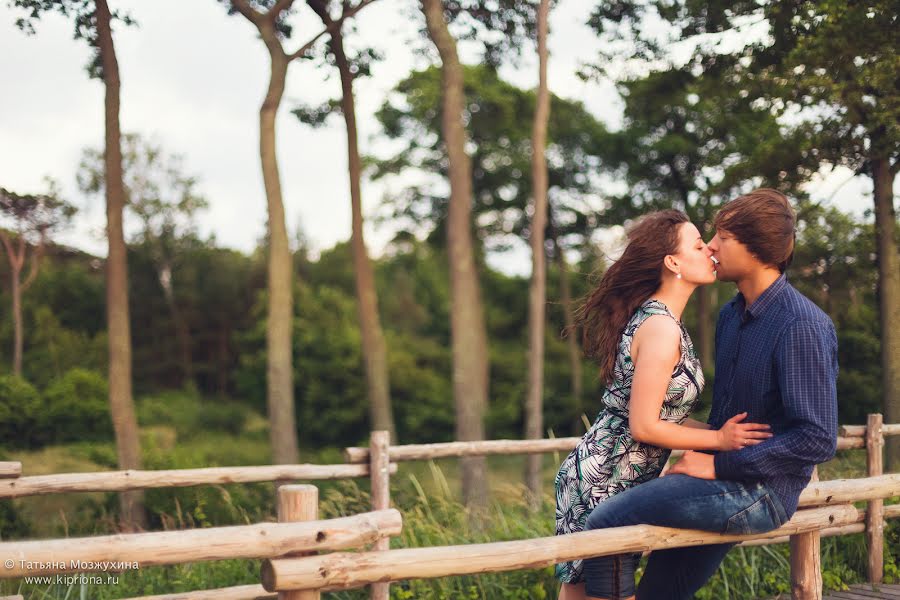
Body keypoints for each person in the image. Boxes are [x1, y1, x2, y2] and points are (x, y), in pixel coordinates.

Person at [579, 188, 839, 600]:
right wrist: (704, 448)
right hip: (717, 479)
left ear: (756, 250)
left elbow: (817, 438)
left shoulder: (801, 325)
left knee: (606, 521)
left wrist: (720, 467)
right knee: (659, 594)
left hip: (761, 492)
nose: (712, 246)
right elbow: (724, 420)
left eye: (723, 237)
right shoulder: (730, 316)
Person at [554, 209, 773, 600]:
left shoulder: (666, 321)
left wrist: (724, 434)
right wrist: (720, 441)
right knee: (591, 595)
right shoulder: (660, 328)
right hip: (606, 477)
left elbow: (666, 416)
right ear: (673, 262)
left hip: (620, 475)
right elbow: (644, 426)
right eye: (697, 244)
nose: (709, 250)